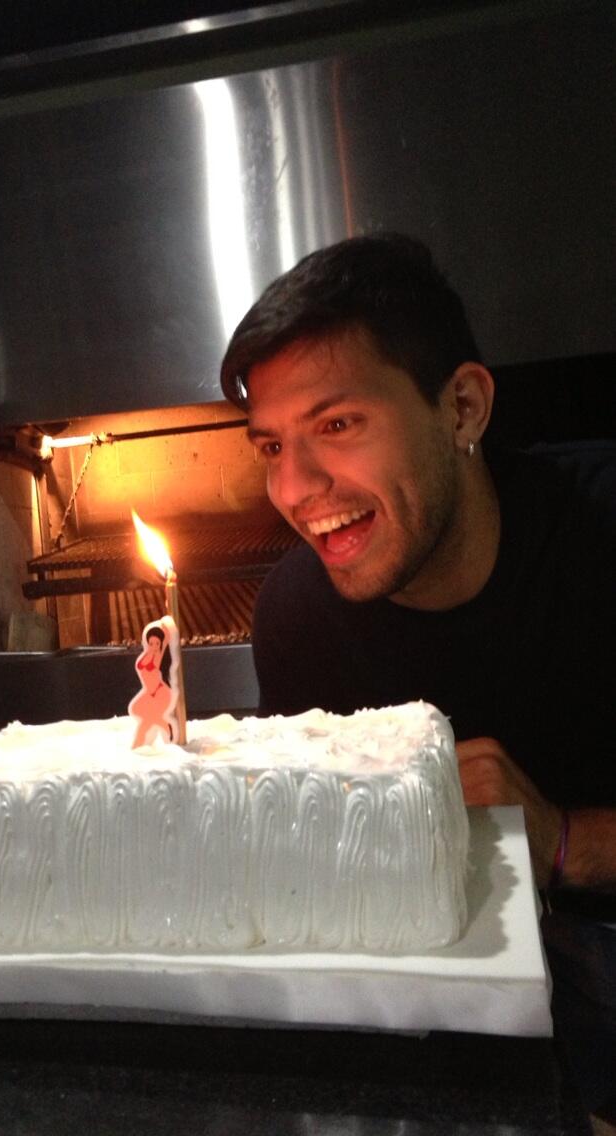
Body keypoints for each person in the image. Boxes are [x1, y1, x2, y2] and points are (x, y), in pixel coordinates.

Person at [219, 233, 616, 1124]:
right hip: (436, 1024)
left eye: (337, 425)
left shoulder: (599, 531)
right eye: (271, 446)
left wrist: (562, 841)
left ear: (463, 407)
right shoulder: (296, 613)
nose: (296, 488)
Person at [129, 622, 177, 748]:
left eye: (157, 643)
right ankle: (164, 725)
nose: (154, 646)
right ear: (147, 643)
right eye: (151, 643)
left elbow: (166, 639)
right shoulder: (146, 654)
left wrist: (165, 624)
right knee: (137, 710)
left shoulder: (158, 656)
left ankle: (137, 746)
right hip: (149, 694)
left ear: (160, 644)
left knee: (146, 722)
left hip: (160, 693)